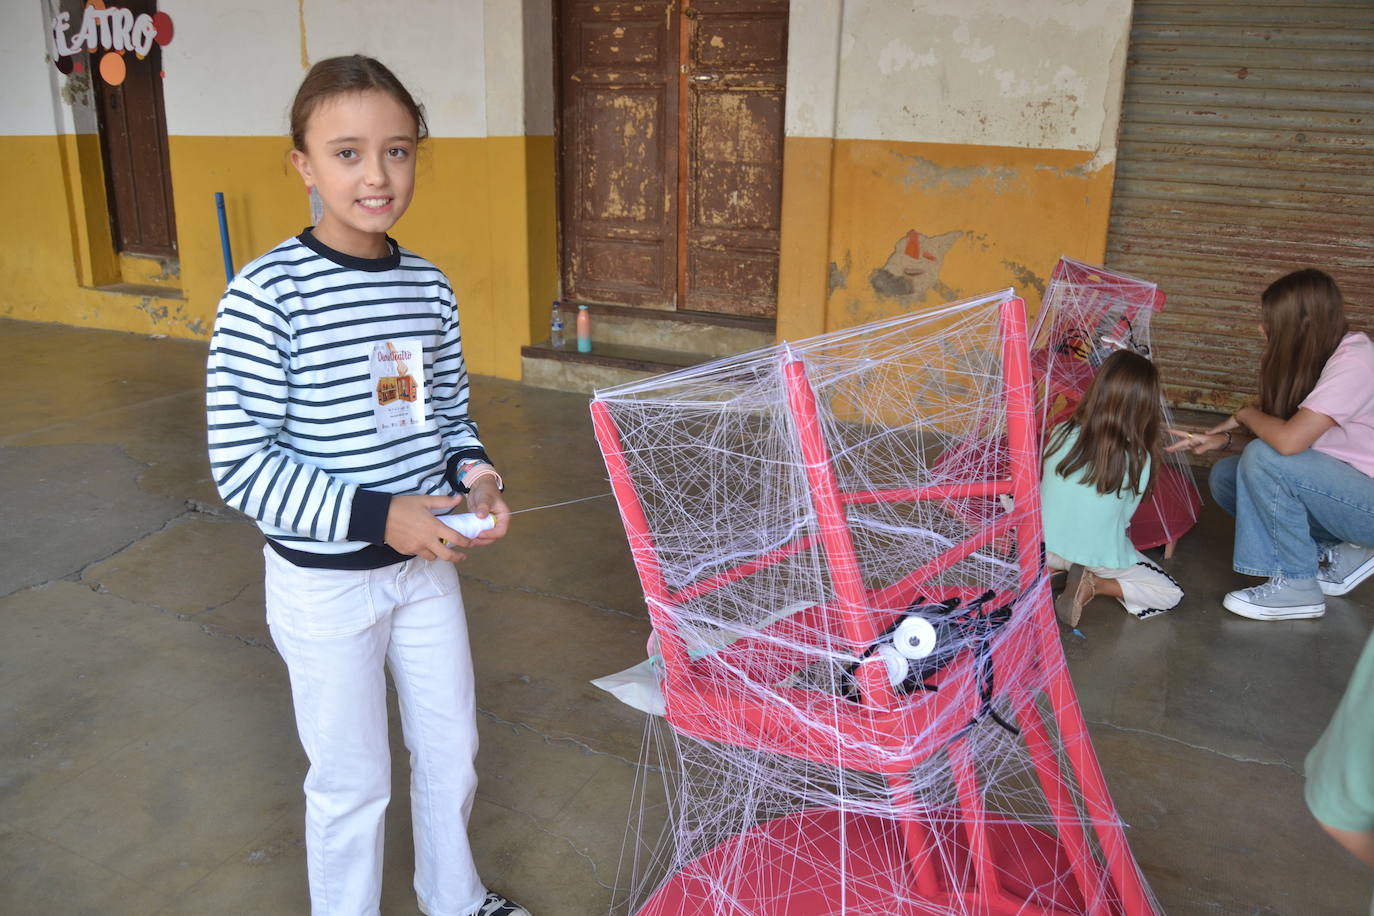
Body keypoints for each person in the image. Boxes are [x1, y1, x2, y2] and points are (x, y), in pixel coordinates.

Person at [206, 56, 528, 916]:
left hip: (424, 572)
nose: (376, 176)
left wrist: (478, 476)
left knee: (450, 752)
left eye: (397, 150)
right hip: (326, 588)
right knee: (352, 782)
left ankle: (453, 899)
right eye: (346, 154)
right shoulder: (266, 296)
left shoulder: (425, 288)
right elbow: (243, 463)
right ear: (303, 164)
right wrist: (381, 515)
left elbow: (439, 418)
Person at [1169, 268, 1374, 621]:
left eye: (1270, 321)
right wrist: (1224, 439)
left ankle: (1297, 586)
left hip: (1365, 500)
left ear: (1302, 324)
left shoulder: (1355, 360)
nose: (1261, 330)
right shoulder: (1317, 357)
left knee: (1265, 457)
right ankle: (1334, 552)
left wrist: (1246, 414)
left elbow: (1289, 443)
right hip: (1344, 490)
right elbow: (1291, 435)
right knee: (1227, 476)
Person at [1041, 350, 1185, 626]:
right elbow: (1123, 519)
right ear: (1146, 405)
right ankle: (1092, 584)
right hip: (1094, 556)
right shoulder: (1140, 457)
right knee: (1170, 593)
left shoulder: (1060, 432)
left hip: (1042, 545)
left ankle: (1050, 571)